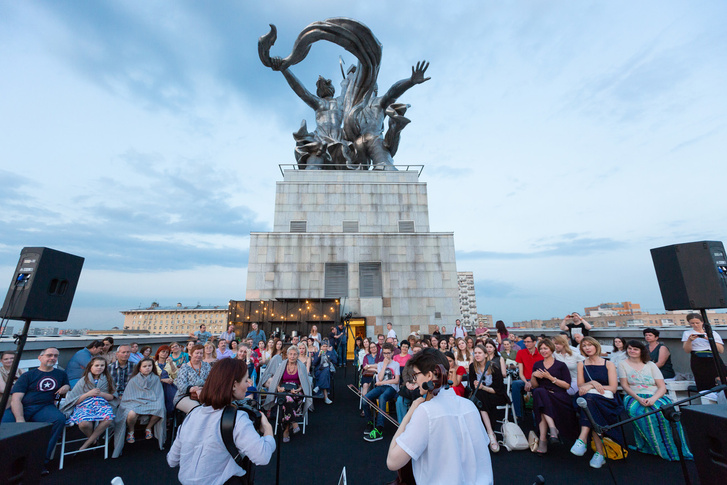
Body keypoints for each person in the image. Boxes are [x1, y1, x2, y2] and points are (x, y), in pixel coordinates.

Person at [386, 348, 493, 485]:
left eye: (416, 375)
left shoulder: (426, 411)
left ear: (430, 376)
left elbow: (392, 462)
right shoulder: (470, 406)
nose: (415, 381)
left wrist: (410, 412)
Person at [167, 358, 275, 485]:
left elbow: (172, 460)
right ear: (234, 385)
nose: (248, 385)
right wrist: (268, 428)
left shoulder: (192, 415)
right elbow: (263, 456)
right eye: (246, 380)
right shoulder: (237, 419)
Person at [619, 340, 693, 461]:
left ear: (641, 351)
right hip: (635, 395)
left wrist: (653, 398)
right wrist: (639, 398)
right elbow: (625, 385)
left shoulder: (651, 365)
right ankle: (652, 446)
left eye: (635, 349)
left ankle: (673, 447)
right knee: (640, 413)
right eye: (630, 348)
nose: (632, 351)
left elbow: (662, 387)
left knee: (666, 413)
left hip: (655, 394)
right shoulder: (623, 364)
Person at [2, 347, 70, 472]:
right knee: (4, 426)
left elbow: (65, 387)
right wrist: (20, 418)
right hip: (24, 407)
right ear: (40, 358)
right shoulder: (28, 375)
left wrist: (66, 387)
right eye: (49, 355)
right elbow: (16, 399)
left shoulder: (61, 374)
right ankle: (8, 463)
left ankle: (39, 462)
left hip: (44, 407)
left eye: (55, 356)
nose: (53, 358)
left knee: (58, 419)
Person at [570, 337, 623, 469]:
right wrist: (592, 383)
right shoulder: (581, 364)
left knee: (589, 403)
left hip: (606, 399)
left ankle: (582, 439)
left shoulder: (608, 364)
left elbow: (613, 388)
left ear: (596, 346)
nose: (587, 348)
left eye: (590, 345)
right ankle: (599, 453)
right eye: (584, 346)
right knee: (590, 403)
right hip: (589, 398)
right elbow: (581, 385)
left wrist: (592, 387)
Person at [530, 338, 578, 454]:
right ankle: (552, 429)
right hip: (543, 394)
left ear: (551, 349)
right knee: (539, 392)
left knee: (540, 397)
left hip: (558, 395)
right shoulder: (537, 364)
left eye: (545, 348)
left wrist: (550, 378)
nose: (543, 351)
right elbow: (535, 385)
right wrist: (533, 376)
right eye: (541, 349)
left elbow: (567, 386)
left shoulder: (561, 365)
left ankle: (543, 439)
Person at [60, 356, 117, 451]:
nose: (99, 367)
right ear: (91, 366)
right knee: (84, 424)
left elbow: (112, 396)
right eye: (97, 365)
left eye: (102, 365)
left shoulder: (108, 380)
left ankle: (85, 445)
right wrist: (88, 394)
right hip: (84, 405)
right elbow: (73, 400)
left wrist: (101, 394)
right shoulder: (83, 381)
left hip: (101, 404)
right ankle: (93, 440)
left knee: (108, 419)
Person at [112, 357, 165, 458]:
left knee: (160, 409)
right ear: (139, 368)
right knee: (131, 413)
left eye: (150, 366)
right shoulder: (134, 380)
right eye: (144, 366)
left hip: (151, 401)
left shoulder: (155, 378)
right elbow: (128, 396)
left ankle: (148, 427)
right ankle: (131, 431)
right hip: (134, 402)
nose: (147, 368)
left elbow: (159, 394)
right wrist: (139, 402)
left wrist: (152, 401)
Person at [263, 346, 312, 443]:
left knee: (287, 400)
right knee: (287, 398)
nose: (292, 356)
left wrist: (298, 389)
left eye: (294, 354)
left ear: (298, 355)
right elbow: (277, 380)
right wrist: (278, 388)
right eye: (290, 354)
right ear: (287, 355)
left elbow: (304, 383)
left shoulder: (301, 366)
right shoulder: (282, 366)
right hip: (284, 391)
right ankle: (293, 422)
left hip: (296, 392)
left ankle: (286, 430)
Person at [469, 344, 508, 452]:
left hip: (496, 395)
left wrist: (483, 387)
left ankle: (489, 433)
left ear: (486, 354)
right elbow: (472, 386)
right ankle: (490, 433)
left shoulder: (494, 366)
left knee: (482, 396)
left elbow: (499, 389)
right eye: (475, 353)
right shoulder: (473, 366)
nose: (477, 355)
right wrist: (476, 384)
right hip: (482, 396)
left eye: (479, 353)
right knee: (480, 395)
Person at [363, 343, 400, 442]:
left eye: (388, 353)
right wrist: (384, 365)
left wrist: (383, 382)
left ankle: (379, 428)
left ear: (392, 353)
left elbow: (396, 381)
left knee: (382, 398)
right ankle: (370, 422)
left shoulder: (396, 364)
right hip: (381, 386)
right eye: (384, 353)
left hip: (391, 388)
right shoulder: (380, 364)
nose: (386, 356)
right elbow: (379, 378)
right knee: (365, 399)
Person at [682, 313, 726, 391]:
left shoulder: (713, 333)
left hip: (713, 357)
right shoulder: (687, 333)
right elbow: (687, 350)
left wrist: (708, 338)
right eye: (692, 323)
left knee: (721, 378)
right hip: (698, 358)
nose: (695, 325)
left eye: (697, 323)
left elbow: (721, 350)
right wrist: (690, 340)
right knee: (703, 381)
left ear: (702, 322)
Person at [512, 334, 544, 421]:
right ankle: (518, 414)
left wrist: (532, 382)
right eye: (525, 342)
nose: (526, 344)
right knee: (515, 384)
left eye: (528, 342)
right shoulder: (521, 353)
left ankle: (537, 416)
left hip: (538, 380)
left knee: (538, 389)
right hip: (525, 379)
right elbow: (521, 372)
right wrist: (526, 382)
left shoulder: (541, 353)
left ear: (534, 342)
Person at [174, 344, 213, 414]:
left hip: (203, 394)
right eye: (197, 353)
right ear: (191, 354)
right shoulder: (184, 367)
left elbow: (212, 380)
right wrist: (193, 389)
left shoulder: (206, 365)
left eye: (201, 353)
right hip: (185, 395)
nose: (199, 355)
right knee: (197, 409)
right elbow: (180, 385)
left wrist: (202, 389)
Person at [154, 345, 179, 414]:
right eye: (163, 351)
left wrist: (171, 363)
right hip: (157, 385)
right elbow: (152, 377)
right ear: (158, 352)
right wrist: (162, 380)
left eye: (166, 352)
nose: (164, 353)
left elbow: (175, 376)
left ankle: (169, 414)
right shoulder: (153, 363)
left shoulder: (171, 363)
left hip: (170, 385)